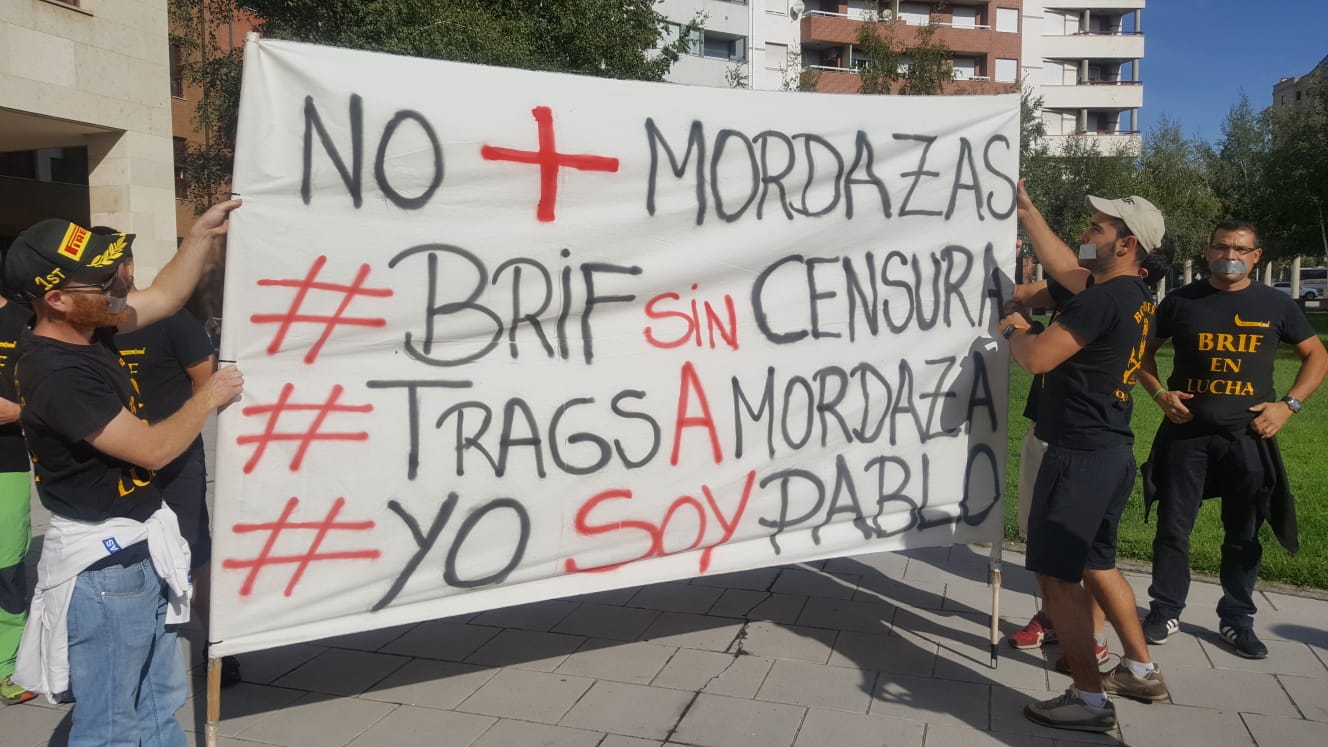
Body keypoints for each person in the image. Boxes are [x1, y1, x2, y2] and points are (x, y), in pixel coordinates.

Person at [5, 204, 242, 746]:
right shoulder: (56, 371)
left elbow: (163, 296)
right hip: (106, 570)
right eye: (101, 279)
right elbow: (155, 450)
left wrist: (200, 236)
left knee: (159, 703)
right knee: (110, 724)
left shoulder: (88, 325)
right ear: (56, 299)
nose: (116, 285)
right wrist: (207, 396)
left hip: (140, 549)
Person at [1002, 182, 1171, 732]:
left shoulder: (1100, 299)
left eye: (1097, 229)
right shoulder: (1130, 295)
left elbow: (1037, 359)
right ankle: (1142, 669)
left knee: (1058, 578)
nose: (1085, 234)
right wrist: (1028, 209)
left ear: (1126, 246)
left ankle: (1089, 699)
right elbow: (1061, 263)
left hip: (1077, 455)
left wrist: (1014, 327)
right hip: (1112, 450)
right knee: (1099, 563)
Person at [1138, 220, 1328, 658]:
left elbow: (1317, 355)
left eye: (1241, 248)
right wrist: (1160, 393)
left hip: (1249, 436)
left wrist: (1288, 406)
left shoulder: (1274, 304)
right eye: (1222, 246)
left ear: (1256, 256)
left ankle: (1237, 619)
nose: (1231, 254)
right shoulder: (1181, 301)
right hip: (1187, 435)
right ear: (1207, 251)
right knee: (1173, 528)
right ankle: (1165, 610)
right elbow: (1142, 353)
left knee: (1244, 532)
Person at [103, 231, 242, 687]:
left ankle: (219, 644)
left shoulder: (169, 321)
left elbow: (207, 384)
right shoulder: (90, 330)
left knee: (195, 551)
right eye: (116, 265)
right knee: (123, 558)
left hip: (177, 460)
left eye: (126, 262)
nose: (125, 271)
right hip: (114, 466)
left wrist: (172, 435)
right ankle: (132, 650)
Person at [0, 293, 34, 705]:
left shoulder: (25, 322)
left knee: (6, 565)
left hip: (5, 461)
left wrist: (20, 410)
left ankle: (8, 665)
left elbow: (54, 386)